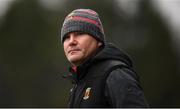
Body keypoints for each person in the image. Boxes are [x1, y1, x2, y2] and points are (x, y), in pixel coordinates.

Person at [61, 9, 149, 108]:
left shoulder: (116, 74)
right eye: (67, 37)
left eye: (79, 34)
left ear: (98, 40)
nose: (71, 41)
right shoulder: (79, 83)